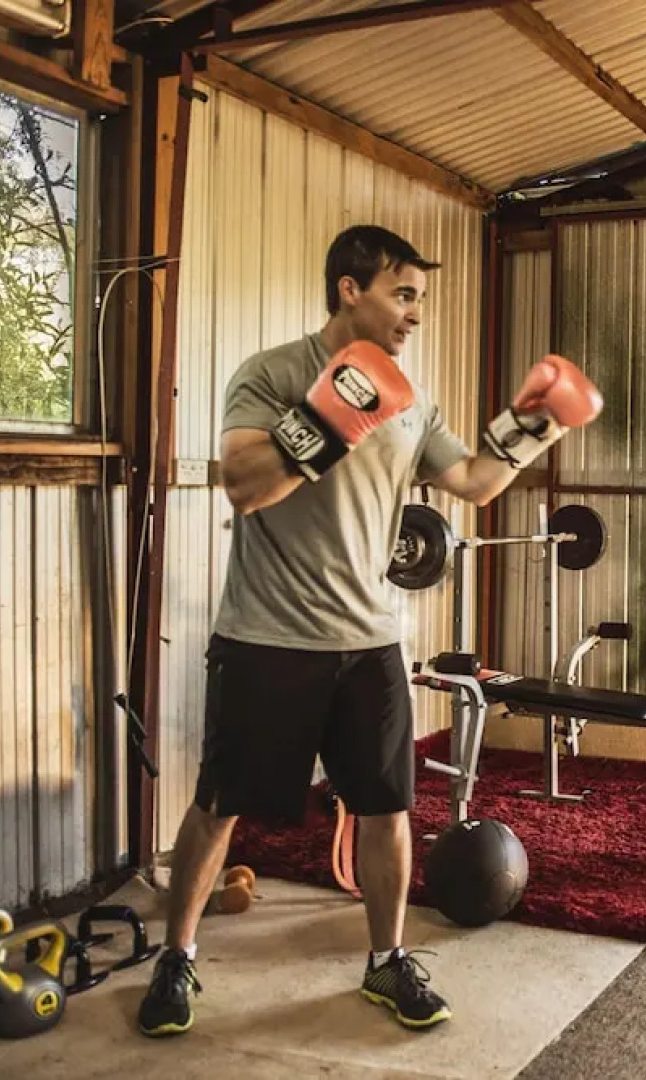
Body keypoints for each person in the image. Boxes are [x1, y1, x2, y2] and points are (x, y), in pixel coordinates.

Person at [136, 224, 602, 1038]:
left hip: (370, 639)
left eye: (420, 296)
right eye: (403, 293)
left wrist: (537, 426)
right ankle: (176, 959)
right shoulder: (272, 374)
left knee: (387, 810)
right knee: (220, 803)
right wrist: (329, 416)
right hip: (265, 636)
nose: (414, 313)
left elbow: (472, 482)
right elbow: (244, 486)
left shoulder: (411, 401)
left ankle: (385, 963)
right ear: (349, 288)